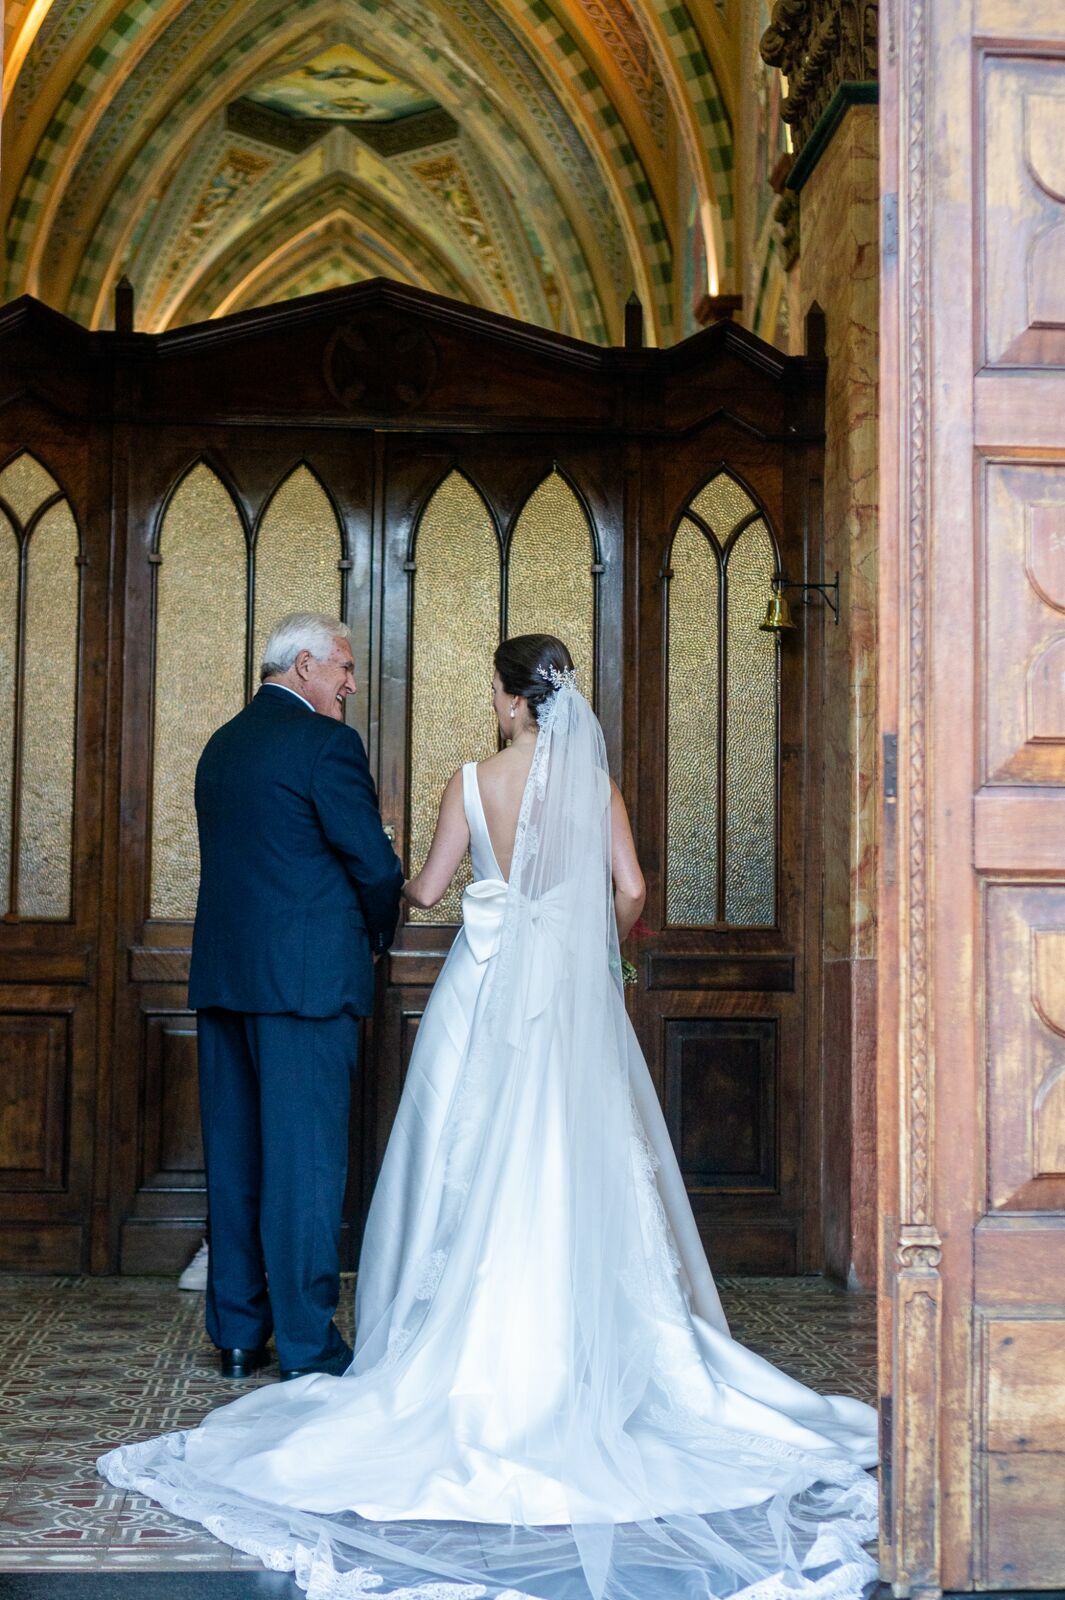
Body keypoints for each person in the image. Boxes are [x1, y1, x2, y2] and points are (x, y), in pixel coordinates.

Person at [100, 634, 878, 1600]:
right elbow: (631, 889)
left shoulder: (463, 781)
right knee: (572, 1157)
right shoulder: (593, 785)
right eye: (340, 667)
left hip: (473, 986)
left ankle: (350, 1332)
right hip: (565, 1001)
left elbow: (425, 890)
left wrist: (405, 882)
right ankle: (576, 1345)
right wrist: (594, 952)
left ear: (509, 701)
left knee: (455, 1149)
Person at [185, 612, 403, 1381]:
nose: (350, 682)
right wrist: (376, 934)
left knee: (236, 1160)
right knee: (304, 1166)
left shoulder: (222, 744)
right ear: (304, 665)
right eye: (343, 666)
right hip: (305, 986)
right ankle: (309, 1345)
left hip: (226, 980)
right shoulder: (325, 744)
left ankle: (239, 1334)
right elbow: (374, 867)